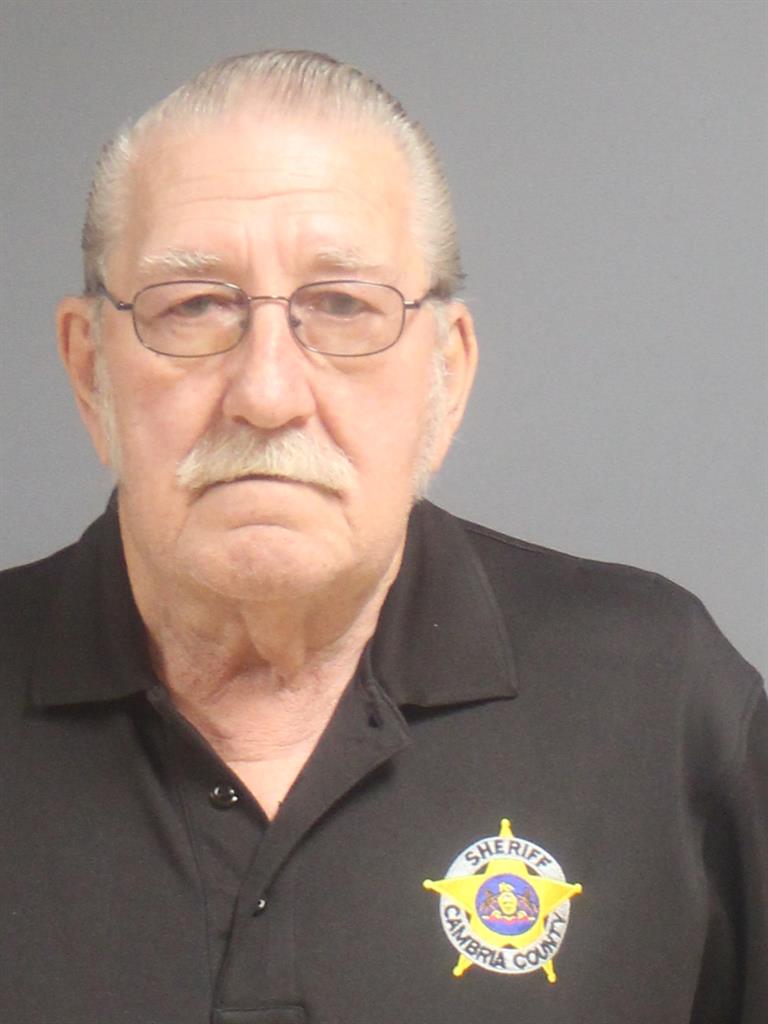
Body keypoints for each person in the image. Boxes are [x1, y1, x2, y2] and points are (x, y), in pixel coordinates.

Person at [1, 50, 765, 1024]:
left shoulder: (659, 702)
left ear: (447, 374)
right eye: (192, 307)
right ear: (88, 369)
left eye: (343, 306)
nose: (266, 392)